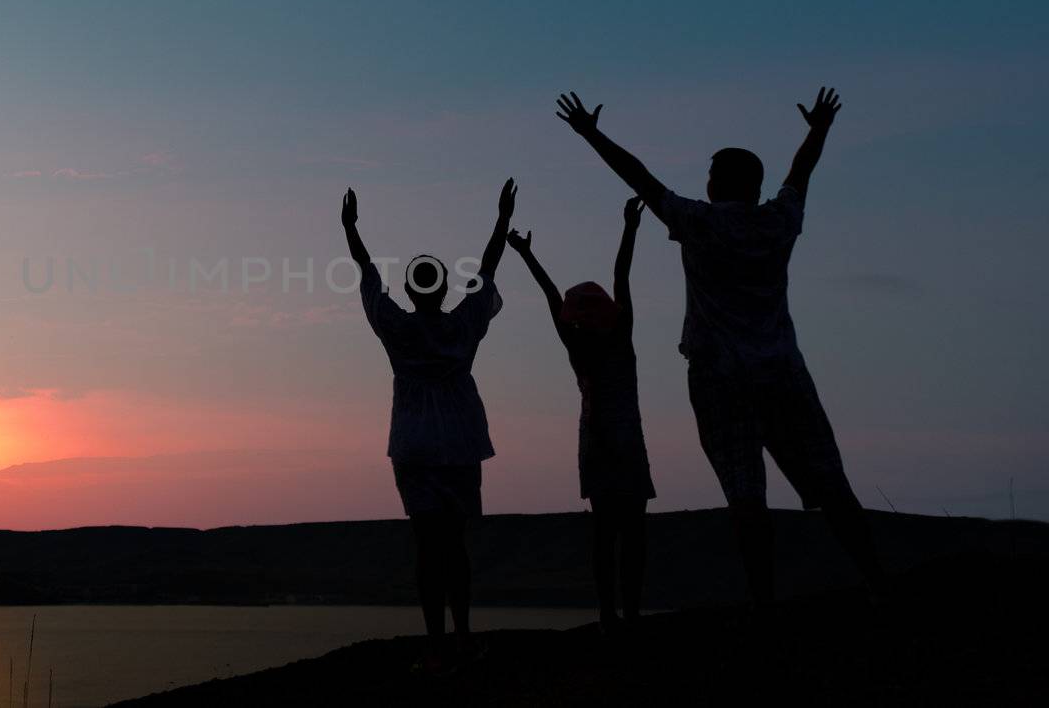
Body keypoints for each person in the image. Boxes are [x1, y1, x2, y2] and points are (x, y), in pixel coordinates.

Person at [555, 87, 883, 608]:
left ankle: (763, 604)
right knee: (830, 482)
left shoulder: (698, 222)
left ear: (719, 183)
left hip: (719, 377)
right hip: (782, 369)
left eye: (710, 175)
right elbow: (801, 174)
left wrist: (592, 134)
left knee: (745, 493)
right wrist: (818, 129)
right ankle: (878, 581)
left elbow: (639, 178)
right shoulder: (778, 222)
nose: (704, 182)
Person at [341, 178, 513, 672]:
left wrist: (351, 229)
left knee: (426, 546)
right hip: (459, 443)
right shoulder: (464, 326)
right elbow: (487, 268)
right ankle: (461, 639)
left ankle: (436, 644)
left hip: (414, 446)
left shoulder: (395, 328)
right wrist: (501, 220)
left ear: (414, 291)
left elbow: (368, 274)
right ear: (440, 288)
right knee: (455, 546)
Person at [508, 196, 655, 631]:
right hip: (626, 439)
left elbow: (551, 294)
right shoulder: (620, 338)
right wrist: (629, 228)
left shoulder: (577, 345)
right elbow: (621, 276)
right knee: (632, 534)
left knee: (604, 534)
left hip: (595, 439)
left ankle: (610, 612)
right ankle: (627, 611)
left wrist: (527, 254)